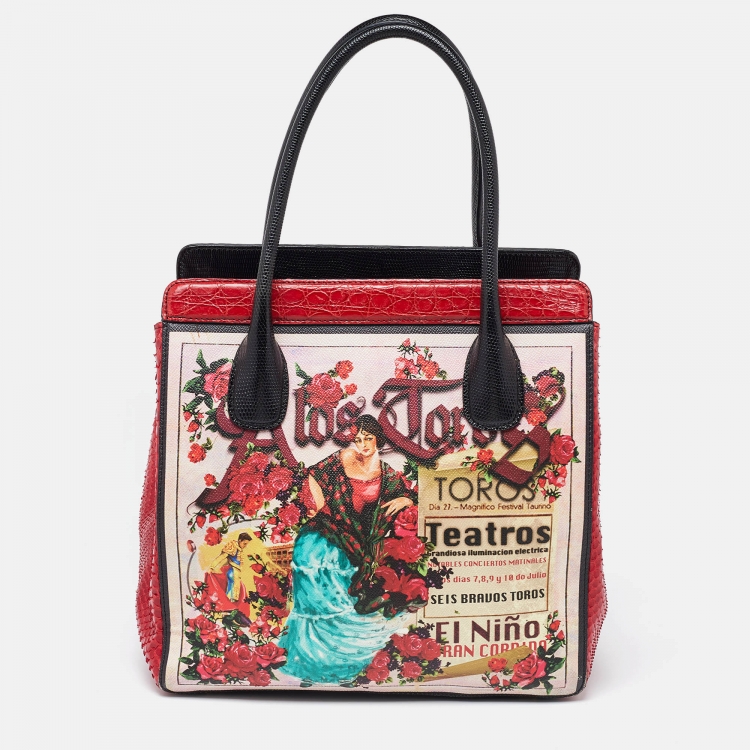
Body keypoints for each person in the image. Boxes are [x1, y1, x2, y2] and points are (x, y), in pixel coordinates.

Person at [278, 414, 417, 687]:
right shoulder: (343, 458)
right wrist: (320, 505)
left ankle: (342, 668)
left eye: (368, 438)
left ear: (378, 439)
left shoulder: (388, 474)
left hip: (358, 542)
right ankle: (311, 667)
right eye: (358, 439)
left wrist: (404, 498)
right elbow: (313, 474)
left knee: (345, 608)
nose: (362, 444)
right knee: (318, 598)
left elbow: (408, 493)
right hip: (325, 534)